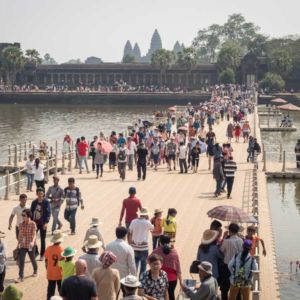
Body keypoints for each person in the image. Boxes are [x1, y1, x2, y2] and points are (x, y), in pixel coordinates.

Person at [106, 226, 136, 296]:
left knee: (113, 294)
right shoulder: (128, 248)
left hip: (111, 274)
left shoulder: (108, 245)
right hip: (124, 276)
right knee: (126, 294)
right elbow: (131, 265)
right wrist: (134, 277)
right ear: (125, 235)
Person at [152, 235, 182, 300]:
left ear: (160, 242)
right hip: (172, 280)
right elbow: (178, 268)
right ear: (169, 242)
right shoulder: (174, 252)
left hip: (159, 278)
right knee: (171, 294)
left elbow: (148, 260)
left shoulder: (156, 251)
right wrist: (181, 282)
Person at [219, 223, 243, 300]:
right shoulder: (241, 240)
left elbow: (221, 250)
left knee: (224, 289)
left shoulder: (226, 241)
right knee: (237, 289)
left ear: (229, 231)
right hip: (238, 267)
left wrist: (224, 237)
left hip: (226, 266)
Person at [129, 208, 154, 275]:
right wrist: (148, 220)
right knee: (143, 265)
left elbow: (130, 231)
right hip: (144, 247)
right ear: (146, 215)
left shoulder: (133, 221)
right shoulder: (147, 222)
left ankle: (134, 278)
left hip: (134, 246)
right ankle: (141, 280)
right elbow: (152, 228)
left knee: (135, 264)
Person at [16, 209, 38, 283]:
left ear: (28, 216)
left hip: (31, 245)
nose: (22, 217)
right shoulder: (21, 224)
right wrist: (17, 245)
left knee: (32, 259)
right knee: (21, 260)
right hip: (23, 245)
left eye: (24, 215)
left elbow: (34, 234)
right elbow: (19, 235)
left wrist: (32, 241)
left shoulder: (33, 224)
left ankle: (35, 270)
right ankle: (21, 276)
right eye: (22, 215)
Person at [30, 187, 51, 261]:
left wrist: (46, 222)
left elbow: (48, 213)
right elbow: (31, 212)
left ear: (43, 194)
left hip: (43, 224)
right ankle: (36, 252)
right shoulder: (34, 202)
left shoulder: (46, 202)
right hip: (35, 224)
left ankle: (42, 254)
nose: (40, 195)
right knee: (33, 239)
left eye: (41, 194)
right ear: (36, 194)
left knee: (43, 239)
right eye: (38, 194)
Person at [44, 230, 64, 300]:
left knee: (50, 291)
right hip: (59, 273)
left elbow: (46, 261)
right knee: (61, 291)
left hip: (51, 273)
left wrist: (48, 269)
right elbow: (63, 262)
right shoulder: (62, 250)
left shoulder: (48, 249)